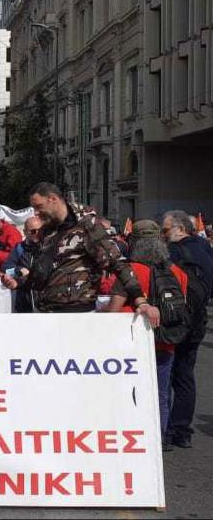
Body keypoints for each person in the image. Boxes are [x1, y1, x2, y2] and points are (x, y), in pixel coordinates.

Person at [106, 220, 188, 450]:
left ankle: (130, 438)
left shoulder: (130, 271)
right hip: (165, 341)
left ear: (134, 243)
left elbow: (113, 309)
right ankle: (159, 438)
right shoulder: (177, 272)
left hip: (131, 342)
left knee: (128, 392)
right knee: (161, 391)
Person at [26, 182, 158, 321]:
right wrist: (19, 281)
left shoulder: (87, 224)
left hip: (77, 316)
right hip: (45, 313)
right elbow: (46, 271)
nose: (36, 212)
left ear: (53, 199)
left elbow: (117, 262)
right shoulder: (47, 230)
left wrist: (140, 301)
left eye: (39, 206)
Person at [161, 210, 213, 449]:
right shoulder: (205, 249)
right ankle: (182, 430)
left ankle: (165, 430)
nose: (163, 235)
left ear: (180, 229)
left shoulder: (173, 252)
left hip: (175, 321)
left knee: (167, 373)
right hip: (199, 320)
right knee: (185, 376)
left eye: (165, 230)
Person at [3, 216, 44, 313]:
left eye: (40, 230)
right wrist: (18, 270)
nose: (37, 234)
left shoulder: (49, 247)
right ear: (25, 232)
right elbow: (6, 269)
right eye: (33, 231)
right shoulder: (19, 248)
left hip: (45, 301)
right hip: (25, 301)